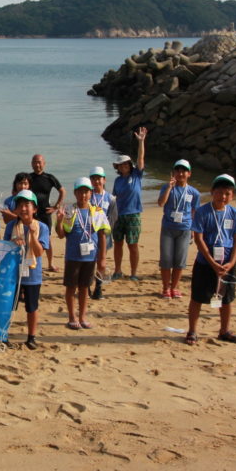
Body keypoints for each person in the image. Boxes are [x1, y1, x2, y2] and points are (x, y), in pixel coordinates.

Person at [186, 174, 236, 346]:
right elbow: (198, 238)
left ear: (232, 195)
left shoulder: (234, 213)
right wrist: (212, 262)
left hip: (227, 264)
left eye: (227, 193)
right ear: (212, 192)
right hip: (206, 263)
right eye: (220, 192)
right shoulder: (203, 212)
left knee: (226, 299)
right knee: (197, 297)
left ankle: (224, 330)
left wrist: (232, 261)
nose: (223, 196)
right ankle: (192, 331)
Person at [56, 178, 110, 331]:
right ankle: (72, 317)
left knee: (85, 287)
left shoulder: (97, 211)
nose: (83, 195)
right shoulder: (69, 210)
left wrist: (102, 258)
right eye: (80, 192)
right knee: (71, 287)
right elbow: (61, 235)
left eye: (86, 192)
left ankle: (82, 317)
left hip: (90, 256)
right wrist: (59, 221)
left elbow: (102, 235)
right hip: (73, 256)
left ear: (91, 193)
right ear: (75, 193)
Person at [3, 191, 49, 350]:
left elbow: (39, 252)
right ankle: (3, 336)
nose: (23, 209)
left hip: (32, 274)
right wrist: (13, 243)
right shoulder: (11, 226)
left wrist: (32, 236)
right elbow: (5, 250)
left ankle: (31, 337)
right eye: (20, 205)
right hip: (13, 273)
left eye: (27, 205)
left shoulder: (42, 227)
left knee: (32, 307)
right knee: (9, 305)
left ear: (34, 209)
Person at [156, 160, 201, 300]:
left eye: (184, 171)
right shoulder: (167, 187)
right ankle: (165, 288)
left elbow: (195, 212)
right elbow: (161, 203)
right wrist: (169, 187)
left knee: (179, 260)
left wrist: (194, 231)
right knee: (166, 259)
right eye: (178, 170)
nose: (180, 173)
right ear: (173, 172)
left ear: (189, 174)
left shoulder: (194, 192)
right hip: (168, 228)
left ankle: (174, 287)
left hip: (185, 229)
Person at [111, 126, 147, 281]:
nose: (123, 166)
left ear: (129, 165)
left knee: (133, 245)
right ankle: (117, 270)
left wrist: (141, 142)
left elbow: (140, 159)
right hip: (119, 215)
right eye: (121, 165)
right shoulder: (118, 180)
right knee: (118, 244)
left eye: (126, 164)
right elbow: (113, 198)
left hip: (133, 215)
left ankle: (133, 273)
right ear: (118, 167)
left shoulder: (137, 175)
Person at [29, 154, 66, 272]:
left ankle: (50, 263)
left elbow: (62, 191)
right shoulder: (28, 178)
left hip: (45, 213)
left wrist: (56, 206)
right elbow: (17, 190)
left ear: (44, 163)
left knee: (47, 238)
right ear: (31, 163)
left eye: (39, 162)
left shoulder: (49, 178)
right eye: (35, 162)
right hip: (32, 213)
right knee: (30, 236)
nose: (37, 165)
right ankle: (30, 261)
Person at [88, 166, 117, 300]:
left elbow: (112, 218)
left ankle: (98, 287)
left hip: (104, 236)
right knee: (89, 262)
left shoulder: (110, 198)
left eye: (98, 178)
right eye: (93, 179)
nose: (96, 181)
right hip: (89, 235)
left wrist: (103, 230)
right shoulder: (88, 196)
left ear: (104, 180)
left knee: (101, 262)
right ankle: (87, 285)